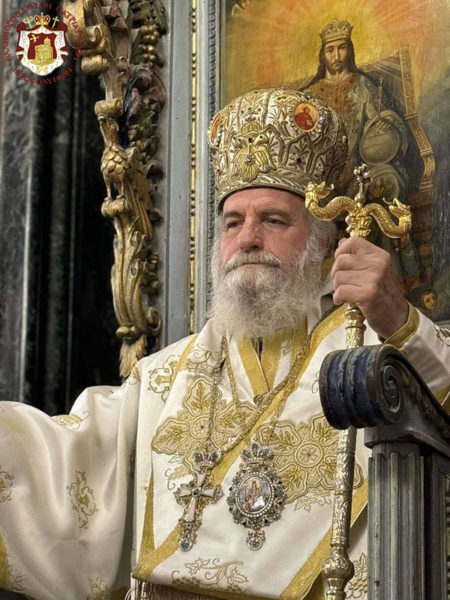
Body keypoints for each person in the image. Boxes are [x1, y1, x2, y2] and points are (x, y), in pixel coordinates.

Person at [0, 88, 449, 600]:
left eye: (273, 220)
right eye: (233, 222)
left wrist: (397, 319)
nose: (248, 238)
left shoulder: (375, 350)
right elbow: (68, 461)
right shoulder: (166, 377)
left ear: (325, 241)